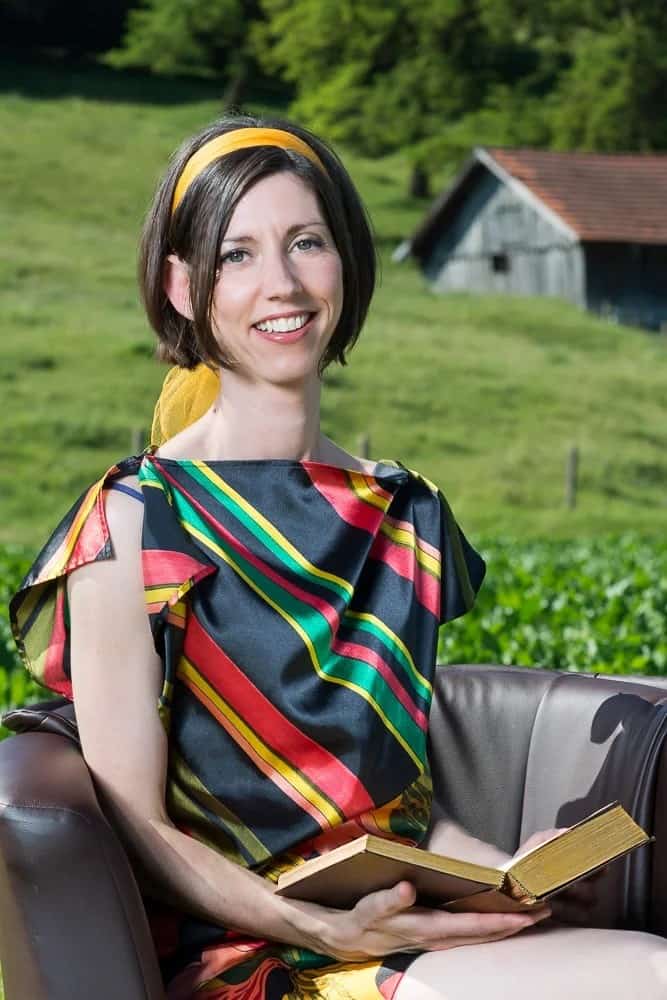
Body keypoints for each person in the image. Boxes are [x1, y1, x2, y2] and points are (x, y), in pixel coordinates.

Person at [10, 115, 667, 1000]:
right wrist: (314, 926)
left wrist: (503, 874)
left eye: (306, 242)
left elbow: (395, 813)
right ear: (180, 286)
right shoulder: (130, 524)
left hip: (389, 936)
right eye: (236, 254)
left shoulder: (405, 512)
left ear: (346, 263)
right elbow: (141, 831)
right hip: (248, 957)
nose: (280, 283)